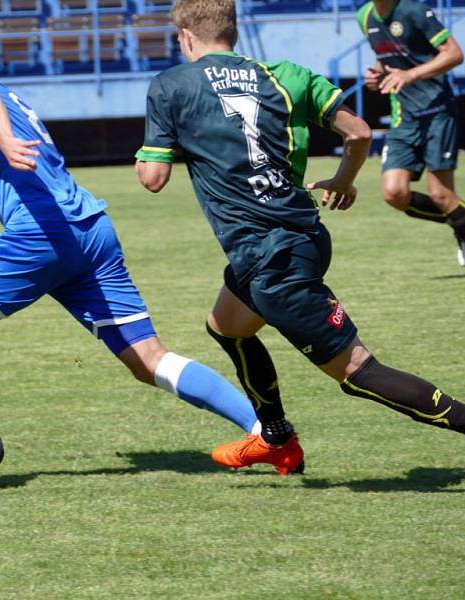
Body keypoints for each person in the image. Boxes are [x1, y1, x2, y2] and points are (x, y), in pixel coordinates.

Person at [0, 15, 269, 483]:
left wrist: (6, 142)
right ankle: (266, 430)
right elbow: (0, 136)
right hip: (90, 229)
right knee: (148, 359)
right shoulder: (6, 92)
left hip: (41, 234)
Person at [134, 0, 465, 475]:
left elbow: (153, 178)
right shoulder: (286, 74)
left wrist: (147, 154)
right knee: (226, 325)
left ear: (185, 35)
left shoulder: (170, 85)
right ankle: (275, 436)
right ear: (233, 30)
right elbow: (358, 132)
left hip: (273, 260)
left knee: (358, 372)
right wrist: (344, 181)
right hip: (299, 237)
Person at [358, 0, 465, 266]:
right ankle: (461, 221)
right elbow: (387, 60)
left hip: (437, 112)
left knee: (442, 195)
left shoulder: (413, 10)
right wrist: (377, 77)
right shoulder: (364, 16)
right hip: (403, 118)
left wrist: (412, 75)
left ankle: (461, 228)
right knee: (393, 193)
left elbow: (454, 54)